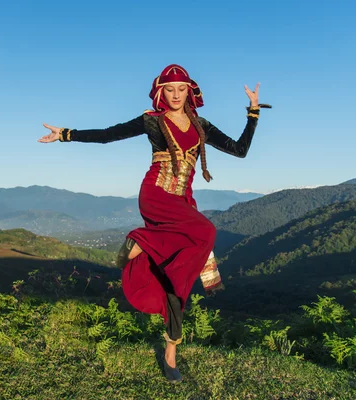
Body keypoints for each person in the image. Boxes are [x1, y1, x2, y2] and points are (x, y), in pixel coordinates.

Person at [38, 64, 263, 382]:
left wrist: (253, 113)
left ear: (189, 91)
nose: (174, 95)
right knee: (207, 231)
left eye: (180, 89)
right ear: (161, 92)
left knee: (178, 278)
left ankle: (170, 353)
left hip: (183, 202)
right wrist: (65, 135)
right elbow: (107, 135)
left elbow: (240, 151)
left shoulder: (202, 126)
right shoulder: (152, 121)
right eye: (169, 90)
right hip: (156, 194)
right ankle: (141, 239)